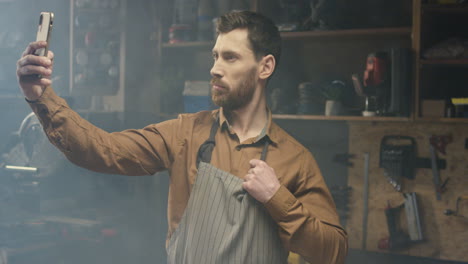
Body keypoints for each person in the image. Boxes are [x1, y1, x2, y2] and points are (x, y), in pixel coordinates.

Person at [17, 10, 347, 264]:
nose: (215, 68)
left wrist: (277, 197)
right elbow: (102, 149)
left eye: (230, 57)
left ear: (265, 67)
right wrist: (40, 96)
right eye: (215, 56)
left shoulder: (295, 158)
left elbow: (332, 252)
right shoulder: (185, 134)